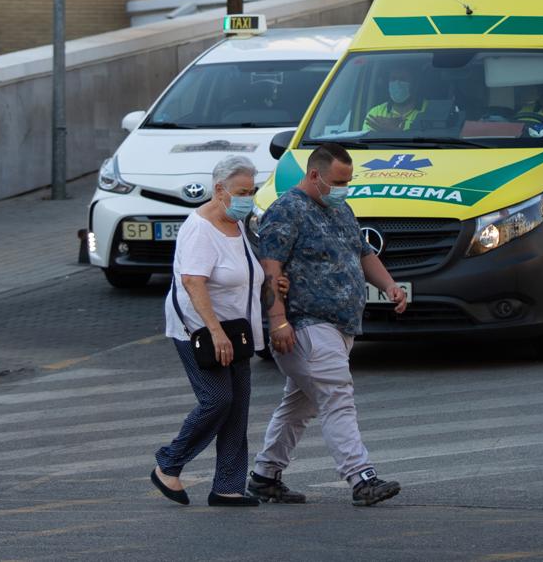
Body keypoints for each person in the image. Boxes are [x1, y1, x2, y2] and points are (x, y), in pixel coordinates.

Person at [247, 143, 409, 507]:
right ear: (315, 175)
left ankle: (264, 475)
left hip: (340, 326)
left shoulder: (341, 209)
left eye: (348, 181)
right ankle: (360, 476)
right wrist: (278, 323)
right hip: (304, 325)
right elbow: (270, 270)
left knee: (298, 406)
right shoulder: (286, 210)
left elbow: (363, 253)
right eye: (339, 181)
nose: (344, 189)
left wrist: (389, 286)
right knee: (337, 395)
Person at [150, 155, 272, 508]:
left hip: (238, 331)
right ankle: (168, 463)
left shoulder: (240, 223)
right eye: (242, 191)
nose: (248, 197)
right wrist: (215, 331)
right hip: (201, 331)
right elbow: (192, 282)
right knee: (218, 399)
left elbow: (246, 270)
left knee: (238, 408)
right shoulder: (199, 229)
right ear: (219, 190)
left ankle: (228, 487)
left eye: (252, 190)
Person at [364, 66, 426, 131]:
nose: (397, 83)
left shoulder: (429, 109)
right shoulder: (376, 113)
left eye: (403, 79)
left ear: (414, 84)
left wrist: (393, 133)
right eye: (393, 79)